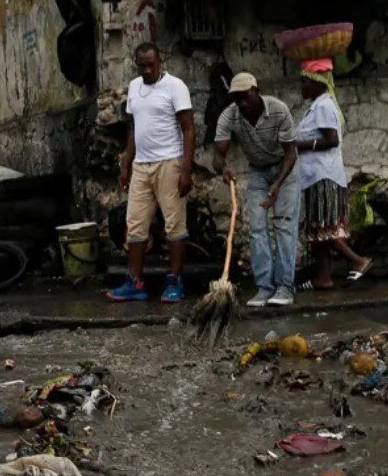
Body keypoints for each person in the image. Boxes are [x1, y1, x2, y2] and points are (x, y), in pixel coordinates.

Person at [107, 42, 194, 303]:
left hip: (169, 162)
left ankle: (175, 281)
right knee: (134, 224)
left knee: (174, 224)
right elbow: (134, 127)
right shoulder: (134, 87)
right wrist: (126, 163)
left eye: (151, 65)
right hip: (141, 165)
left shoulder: (176, 87)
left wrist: (185, 170)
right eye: (142, 66)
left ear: (160, 61)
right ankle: (135, 282)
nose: (147, 70)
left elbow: (188, 129)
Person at [212, 72, 299, 307]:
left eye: (245, 96)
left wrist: (278, 183)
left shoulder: (279, 110)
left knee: (283, 226)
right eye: (237, 97)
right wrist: (224, 170)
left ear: (257, 91)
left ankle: (285, 287)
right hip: (258, 172)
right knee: (257, 228)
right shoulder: (229, 115)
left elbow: (291, 152)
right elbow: (218, 155)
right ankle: (264, 287)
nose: (242, 102)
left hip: (285, 171)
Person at [294, 59, 371, 289]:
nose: (302, 87)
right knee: (318, 229)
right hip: (315, 176)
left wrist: (300, 145)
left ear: (318, 84)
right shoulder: (317, 105)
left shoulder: (324, 106)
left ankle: (358, 260)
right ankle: (323, 277)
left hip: (323, 177)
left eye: (305, 82)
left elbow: (332, 140)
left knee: (324, 228)